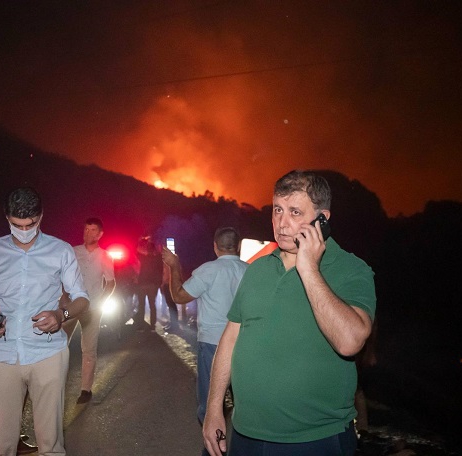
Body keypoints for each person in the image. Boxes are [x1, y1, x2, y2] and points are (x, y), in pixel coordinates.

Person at [202, 170, 377, 456]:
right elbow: (230, 339)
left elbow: (350, 342)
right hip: (246, 434)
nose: (281, 223)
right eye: (277, 210)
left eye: (295, 212)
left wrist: (308, 268)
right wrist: (213, 410)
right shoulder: (257, 269)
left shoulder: (351, 270)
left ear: (322, 220)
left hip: (315, 440)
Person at [0, 186, 89, 456]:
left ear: (41, 217)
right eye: (16, 225)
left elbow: (82, 298)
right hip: (1, 355)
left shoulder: (61, 250)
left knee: (51, 444)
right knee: (2, 445)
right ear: (7, 218)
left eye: (31, 224)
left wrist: (61, 315)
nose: (24, 230)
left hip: (47, 354)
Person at [162, 227, 248, 450]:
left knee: (212, 403)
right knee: (245, 401)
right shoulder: (251, 271)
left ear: (215, 246)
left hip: (212, 344)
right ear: (237, 247)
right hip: (244, 343)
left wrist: (174, 266)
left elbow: (179, 296)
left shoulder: (208, 271)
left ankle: (214, 449)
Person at [64, 217, 116, 405]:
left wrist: (101, 301)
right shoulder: (74, 251)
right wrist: (63, 297)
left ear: (100, 234)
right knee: (60, 344)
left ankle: (85, 389)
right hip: (70, 305)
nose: (88, 233)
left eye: (93, 230)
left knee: (89, 349)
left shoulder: (105, 256)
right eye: (86, 230)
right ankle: (56, 383)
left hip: (92, 307)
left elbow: (110, 283)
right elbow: (63, 276)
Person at [133, 236, 163, 332]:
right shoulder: (157, 257)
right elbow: (160, 271)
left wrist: (141, 239)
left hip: (142, 283)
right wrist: (158, 283)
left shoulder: (142, 256)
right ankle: (152, 326)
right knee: (152, 305)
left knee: (141, 305)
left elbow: (135, 250)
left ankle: (141, 326)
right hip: (153, 284)